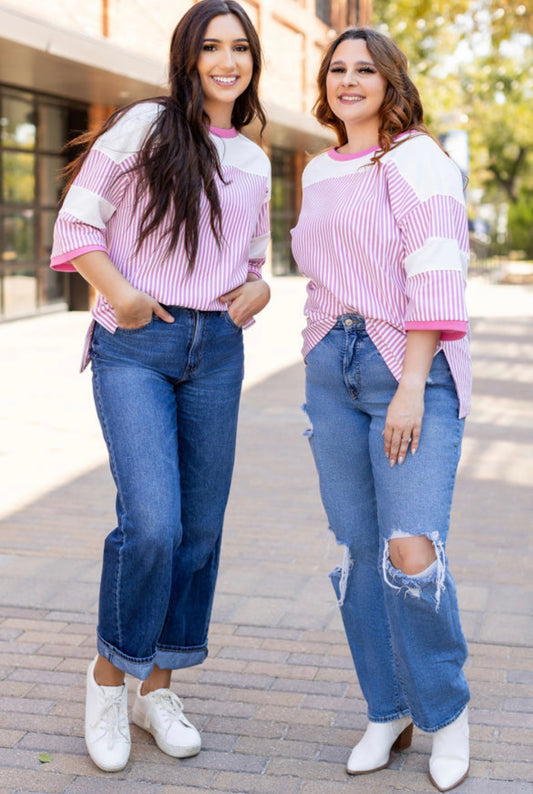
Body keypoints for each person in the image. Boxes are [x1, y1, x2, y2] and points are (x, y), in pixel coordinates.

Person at [50, 0, 270, 773]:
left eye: (238, 47)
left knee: (200, 531)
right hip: (136, 345)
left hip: (217, 350)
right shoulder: (143, 129)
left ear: (252, 62)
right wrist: (128, 297)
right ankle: (109, 681)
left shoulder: (253, 158)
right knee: (152, 524)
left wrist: (258, 291)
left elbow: (250, 261)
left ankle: (157, 691)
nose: (225, 60)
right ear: (187, 56)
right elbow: (76, 228)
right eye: (210, 46)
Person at [291, 27, 471, 793]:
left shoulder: (416, 159)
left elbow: (435, 268)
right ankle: (385, 709)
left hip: (408, 368)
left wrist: (409, 381)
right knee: (360, 552)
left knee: (410, 547)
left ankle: (444, 712)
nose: (348, 80)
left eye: (364, 68)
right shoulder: (314, 170)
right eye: (337, 70)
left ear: (390, 80)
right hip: (331, 366)